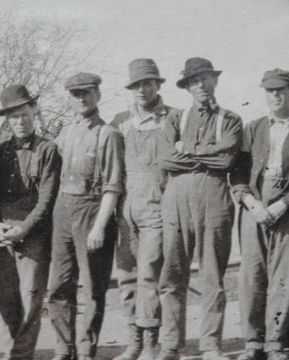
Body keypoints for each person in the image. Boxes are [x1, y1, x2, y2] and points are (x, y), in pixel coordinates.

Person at [157, 57, 243, 360]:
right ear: (187, 87)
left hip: (214, 197)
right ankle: (171, 345)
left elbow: (227, 160)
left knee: (212, 276)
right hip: (176, 200)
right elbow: (165, 159)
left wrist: (187, 150)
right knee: (172, 274)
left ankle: (210, 345)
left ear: (215, 81)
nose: (201, 85)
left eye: (206, 78)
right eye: (194, 81)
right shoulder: (175, 119)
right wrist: (208, 151)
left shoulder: (230, 119)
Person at [231, 69, 289, 360]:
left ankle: (275, 343)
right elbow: (237, 172)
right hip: (255, 210)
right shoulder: (253, 128)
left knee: (283, 277)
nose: (275, 96)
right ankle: (252, 343)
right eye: (270, 91)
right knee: (251, 275)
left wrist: (285, 203)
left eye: (281, 90)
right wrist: (251, 202)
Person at [48, 72, 125, 360]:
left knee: (93, 287)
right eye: (75, 94)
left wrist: (100, 226)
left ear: (98, 95)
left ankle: (85, 350)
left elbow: (113, 185)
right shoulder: (65, 133)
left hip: (92, 209)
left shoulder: (109, 134)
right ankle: (62, 348)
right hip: (63, 209)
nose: (81, 99)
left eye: (86, 93)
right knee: (59, 284)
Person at [0, 84, 62, 360]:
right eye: (14, 116)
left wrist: (24, 230)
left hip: (34, 233)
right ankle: (11, 348)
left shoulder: (48, 149)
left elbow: (47, 200)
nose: (20, 121)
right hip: (3, 233)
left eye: (24, 114)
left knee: (31, 296)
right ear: (7, 119)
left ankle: (21, 354)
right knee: (6, 298)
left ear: (34, 111)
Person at [111, 59, 175, 360]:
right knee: (126, 275)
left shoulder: (174, 118)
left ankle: (151, 342)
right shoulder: (119, 121)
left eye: (147, 83)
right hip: (124, 207)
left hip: (157, 205)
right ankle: (133, 341)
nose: (142, 89)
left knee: (150, 273)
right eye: (136, 84)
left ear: (158, 85)